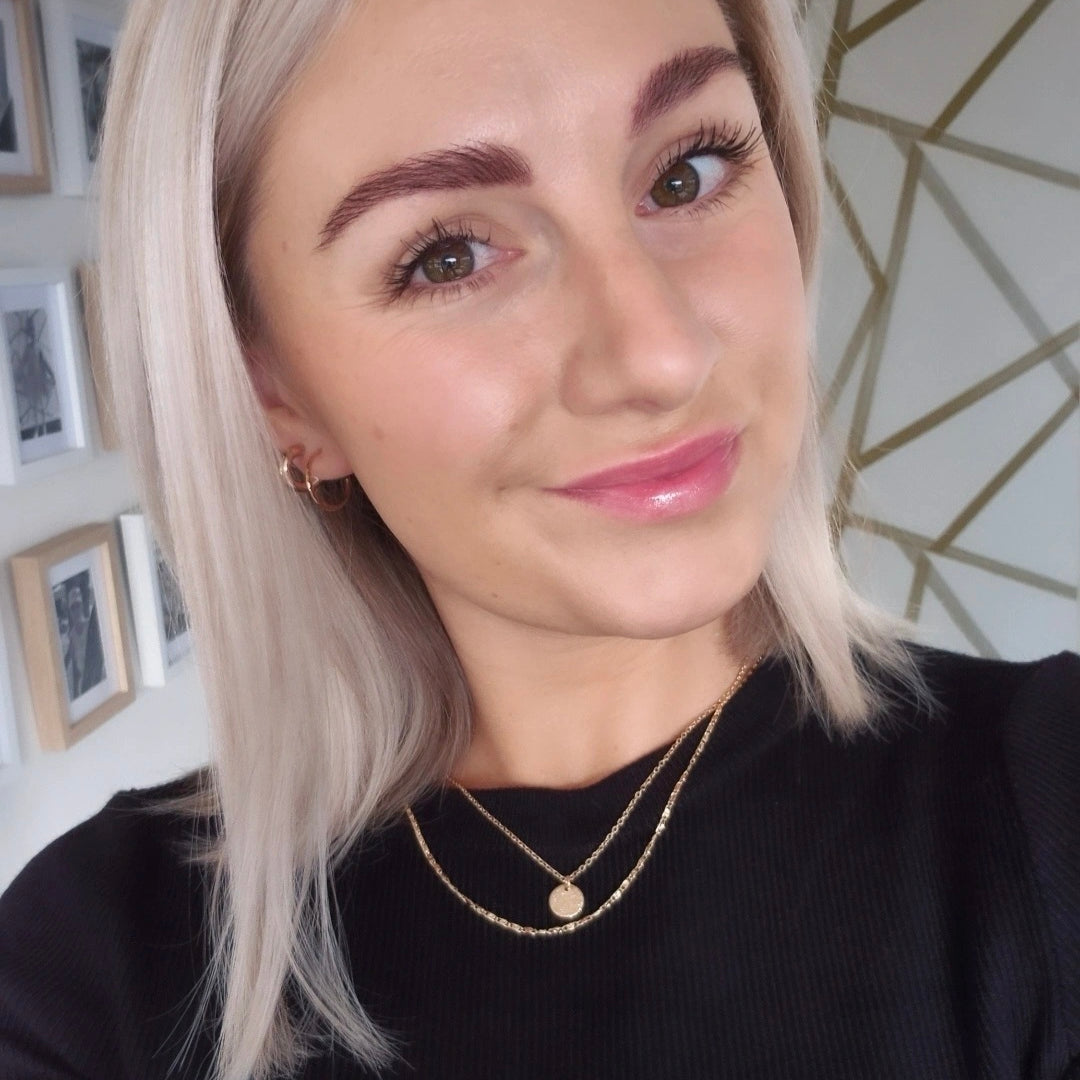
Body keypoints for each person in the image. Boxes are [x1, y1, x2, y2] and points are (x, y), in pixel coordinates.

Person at [1, 0, 1077, 1078]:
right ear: (276, 395)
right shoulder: (89, 968)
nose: (660, 353)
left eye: (686, 174)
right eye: (450, 256)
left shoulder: (1046, 798)